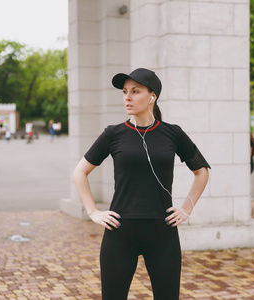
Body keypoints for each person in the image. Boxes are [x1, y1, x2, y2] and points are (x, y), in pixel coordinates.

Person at [73, 68, 210, 300]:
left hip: (162, 233)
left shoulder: (172, 133)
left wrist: (186, 208)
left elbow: (202, 171)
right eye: (125, 92)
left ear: (152, 96)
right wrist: (93, 211)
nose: (127, 97)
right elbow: (80, 172)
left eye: (135, 91)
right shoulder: (113, 134)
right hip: (120, 233)